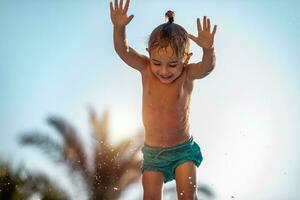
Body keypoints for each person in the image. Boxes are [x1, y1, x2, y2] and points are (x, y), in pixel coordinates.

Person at [110, 0, 217, 199]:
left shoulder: (188, 74)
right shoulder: (145, 68)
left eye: (173, 64)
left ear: (186, 58)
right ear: (149, 55)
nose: (164, 71)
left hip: (183, 150)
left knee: (187, 196)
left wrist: (209, 50)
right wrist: (119, 28)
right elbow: (123, 51)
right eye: (157, 62)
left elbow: (207, 68)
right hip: (153, 154)